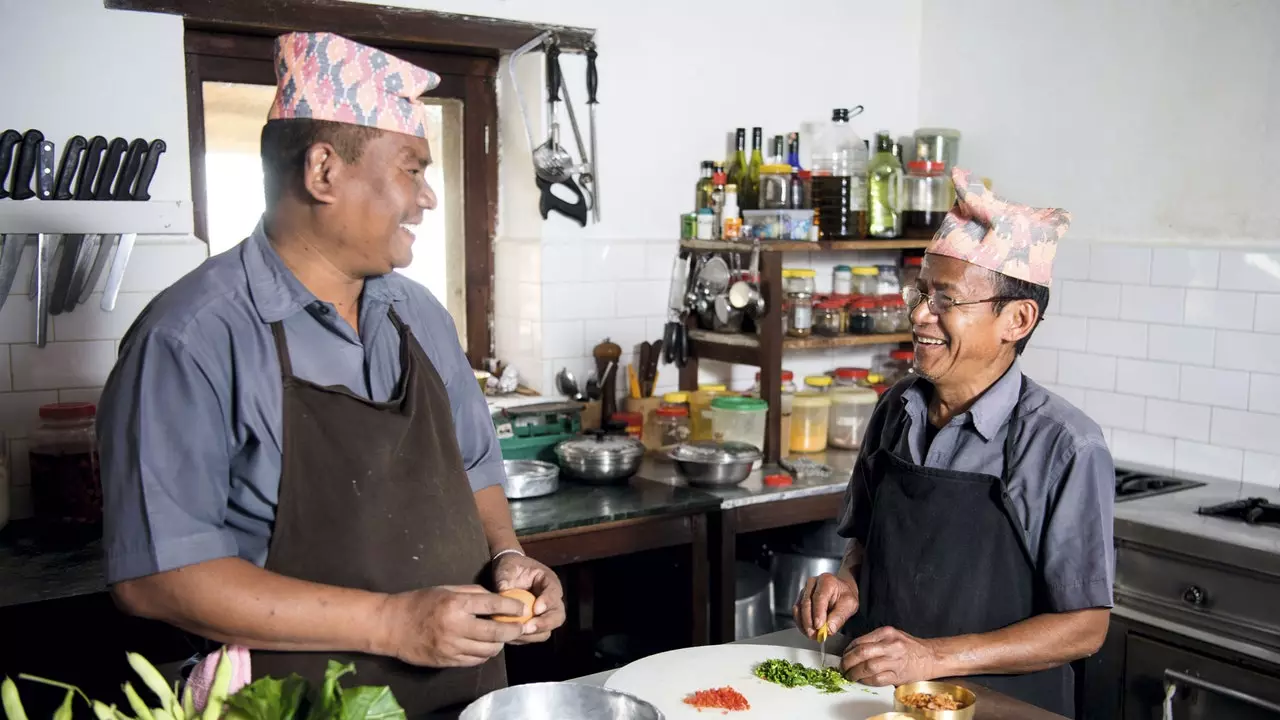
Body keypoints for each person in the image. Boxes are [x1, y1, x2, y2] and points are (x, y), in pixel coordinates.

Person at [98, 32, 565, 716]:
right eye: (412, 168)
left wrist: (507, 557)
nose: (428, 197)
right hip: (293, 703)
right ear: (323, 171)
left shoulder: (420, 316)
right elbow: (159, 577)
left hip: (462, 697)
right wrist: (394, 624)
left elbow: (477, 473)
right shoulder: (190, 338)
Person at [793, 168, 1114, 716]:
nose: (919, 314)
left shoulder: (1064, 445)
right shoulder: (897, 408)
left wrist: (931, 658)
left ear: (1016, 318)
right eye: (920, 292)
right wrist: (848, 583)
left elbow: (1085, 627)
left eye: (946, 300)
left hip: (1003, 708)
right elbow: (868, 545)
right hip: (883, 702)